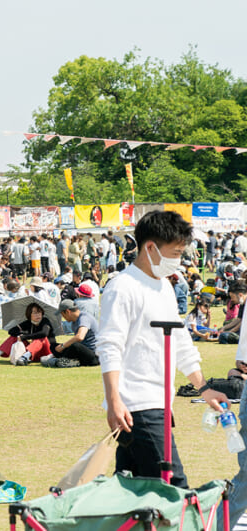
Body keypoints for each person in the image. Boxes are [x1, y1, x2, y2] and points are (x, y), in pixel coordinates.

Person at [98, 210, 226, 489]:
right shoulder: (122, 287)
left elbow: (182, 344)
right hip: (137, 406)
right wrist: (114, 400)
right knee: (174, 488)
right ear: (150, 248)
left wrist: (204, 388)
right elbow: (109, 346)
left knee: (134, 492)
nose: (179, 260)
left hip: (159, 403)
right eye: (176, 252)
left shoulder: (165, 288)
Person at [0, 301, 56, 366]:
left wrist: (25, 336)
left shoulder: (45, 321)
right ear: (29, 315)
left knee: (41, 337)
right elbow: (11, 331)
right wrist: (21, 334)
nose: (38, 315)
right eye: (35, 313)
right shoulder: (28, 323)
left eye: (39, 312)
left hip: (46, 353)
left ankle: (25, 358)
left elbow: (44, 333)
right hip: (33, 354)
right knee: (15, 336)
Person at [41, 300, 99, 368]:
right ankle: (66, 360)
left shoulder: (84, 318)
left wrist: (63, 346)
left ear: (68, 312)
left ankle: (59, 360)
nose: (63, 317)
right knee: (54, 346)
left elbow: (80, 337)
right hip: (82, 352)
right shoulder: (74, 322)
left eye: (62, 314)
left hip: (94, 356)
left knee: (75, 346)